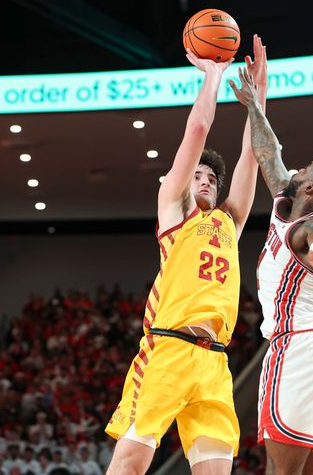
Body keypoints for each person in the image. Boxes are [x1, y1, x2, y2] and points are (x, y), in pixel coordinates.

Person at [104, 35, 269, 475]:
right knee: (130, 466)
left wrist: (258, 101)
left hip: (214, 361)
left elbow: (252, 157)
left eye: (211, 177)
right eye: (195, 173)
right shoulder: (174, 210)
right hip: (169, 349)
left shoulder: (228, 223)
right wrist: (213, 76)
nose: (204, 180)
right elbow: (196, 131)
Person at [229, 65, 313, 474]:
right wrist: (254, 105)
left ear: (312, 188)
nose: (299, 168)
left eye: (308, 168)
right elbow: (269, 152)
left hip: (297, 350)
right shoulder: (289, 201)